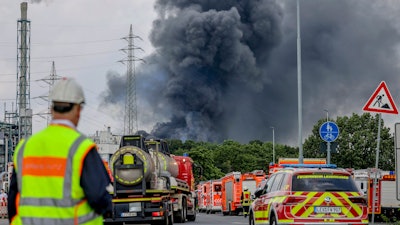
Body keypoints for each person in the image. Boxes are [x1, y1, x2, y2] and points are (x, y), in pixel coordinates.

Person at [8, 77, 112, 225]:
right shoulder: (81, 148)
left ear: (51, 109)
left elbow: (13, 202)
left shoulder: (25, 148)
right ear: (78, 109)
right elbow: (99, 197)